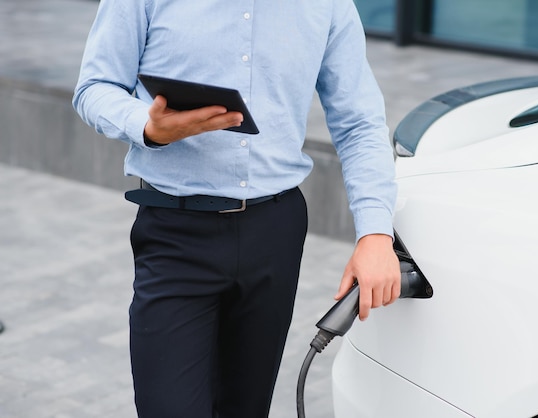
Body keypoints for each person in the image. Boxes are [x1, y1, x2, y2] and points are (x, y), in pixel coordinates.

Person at [73, 0, 400, 417]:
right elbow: (94, 86)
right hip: (175, 233)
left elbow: (360, 123)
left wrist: (375, 233)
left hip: (275, 231)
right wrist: (147, 126)